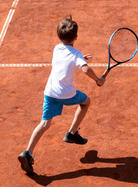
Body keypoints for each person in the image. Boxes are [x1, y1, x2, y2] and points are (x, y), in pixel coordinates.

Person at [18, 16, 105, 174]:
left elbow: (66, 59)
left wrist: (79, 59)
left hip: (50, 93)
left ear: (59, 36)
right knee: (86, 102)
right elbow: (85, 69)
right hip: (66, 94)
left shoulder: (57, 48)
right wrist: (97, 80)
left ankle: (27, 152)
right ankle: (71, 133)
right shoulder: (76, 53)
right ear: (76, 37)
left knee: (44, 124)